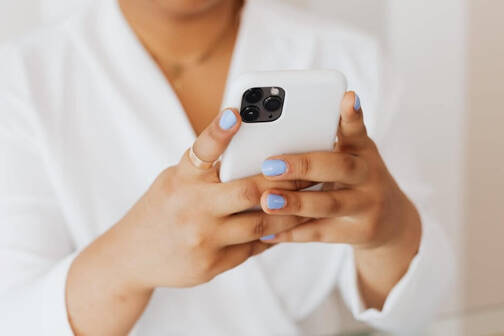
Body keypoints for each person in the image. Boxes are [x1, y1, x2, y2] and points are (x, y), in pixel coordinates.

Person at [0, 0, 453, 334]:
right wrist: (126, 259)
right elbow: (16, 319)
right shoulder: (21, 80)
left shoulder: (350, 60)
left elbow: (416, 313)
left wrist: (390, 232)